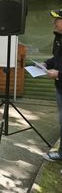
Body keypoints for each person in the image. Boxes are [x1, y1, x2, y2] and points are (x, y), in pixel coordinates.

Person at [42, 9, 62, 161]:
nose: (53, 22)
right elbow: (57, 59)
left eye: (57, 19)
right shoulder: (58, 38)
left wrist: (59, 74)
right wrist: (46, 63)